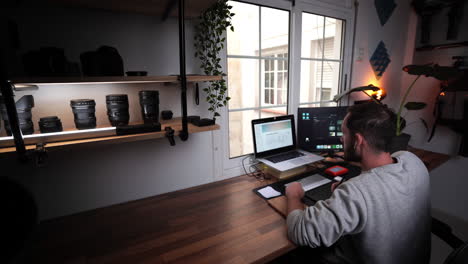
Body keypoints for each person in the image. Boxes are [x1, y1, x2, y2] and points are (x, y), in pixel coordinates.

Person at [285, 102, 431, 264]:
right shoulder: (412, 161)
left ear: (358, 140)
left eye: (344, 133)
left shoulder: (356, 192)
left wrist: (294, 196)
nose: (341, 138)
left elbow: (300, 231)